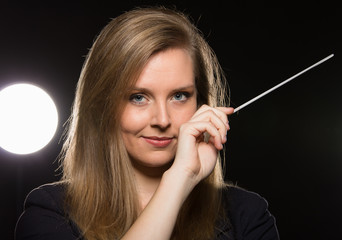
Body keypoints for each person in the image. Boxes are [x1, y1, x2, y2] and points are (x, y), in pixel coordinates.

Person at [15, 6, 279, 240]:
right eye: (138, 97)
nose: (162, 120)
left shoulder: (246, 216)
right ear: (102, 106)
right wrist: (178, 179)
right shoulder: (50, 213)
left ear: (200, 102)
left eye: (179, 96)